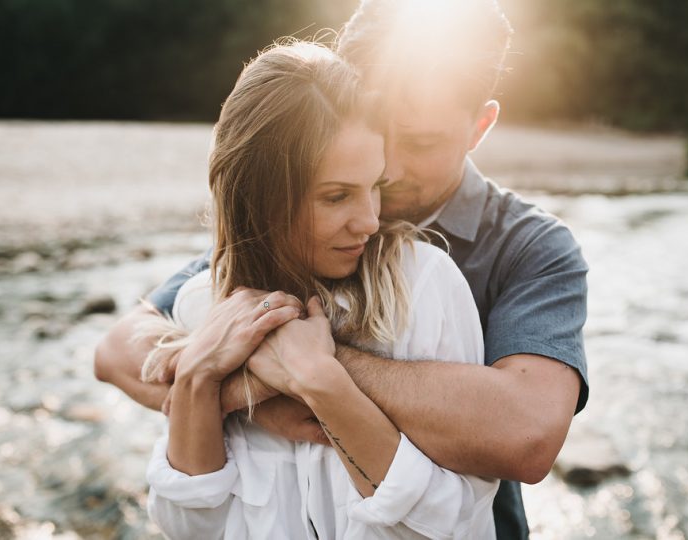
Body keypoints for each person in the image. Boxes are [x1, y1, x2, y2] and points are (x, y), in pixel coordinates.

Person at [94, 1, 589, 537]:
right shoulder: (299, 228)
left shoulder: (529, 246)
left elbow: (527, 435)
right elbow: (120, 350)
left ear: (480, 126)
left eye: (421, 142)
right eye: (377, 127)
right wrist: (242, 392)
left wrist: (306, 366)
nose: (389, 169)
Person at [142, 40, 499, 538]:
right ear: (257, 198)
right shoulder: (205, 304)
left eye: (375, 185)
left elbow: (452, 523)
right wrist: (197, 379)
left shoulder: (423, 287)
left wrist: (319, 378)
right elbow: (186, 526)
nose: (371, 221)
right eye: (336, 197)